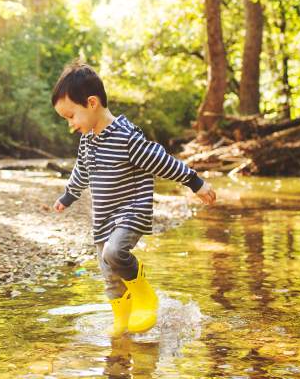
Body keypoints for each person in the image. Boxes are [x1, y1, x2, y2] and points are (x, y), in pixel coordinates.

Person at [51, 62, 216, 336]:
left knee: (114, 253)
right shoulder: (88, 141)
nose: (70, 124)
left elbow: (161, 161)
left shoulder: (126, 137)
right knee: (108, 273)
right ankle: (122, 322)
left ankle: (145, 296)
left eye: (71, 116)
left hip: (131, 212)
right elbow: (82, 170)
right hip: (103, 217)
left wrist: (194, 182)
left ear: (92, 103)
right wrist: (69, 194)